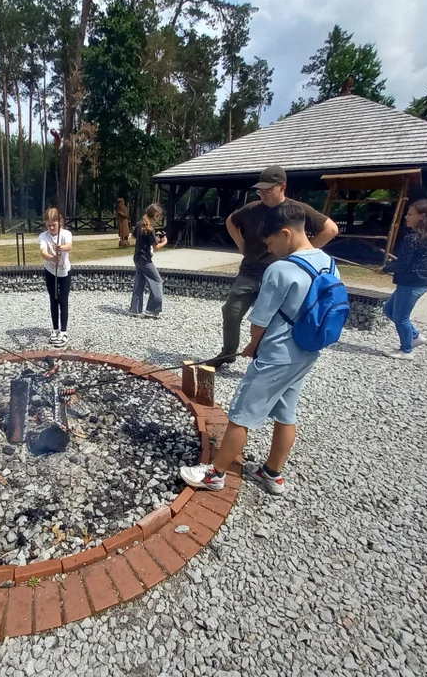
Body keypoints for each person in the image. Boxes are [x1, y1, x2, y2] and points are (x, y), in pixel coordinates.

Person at [180, 204, 340, 495]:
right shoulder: (328, 262)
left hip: (276, 355)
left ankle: (214, 475)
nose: (270, 250)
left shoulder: (281, 269)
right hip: (305, 353)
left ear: (285, 233)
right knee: (286, 413)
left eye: (270, 243)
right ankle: (272, 474)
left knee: (242, 413)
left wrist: (252, 347)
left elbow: (259, 321)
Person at [216, 165, 339, 368]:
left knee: (271, 320)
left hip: (279, 276)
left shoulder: (295, 210)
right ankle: (228, 352)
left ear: (282, 187)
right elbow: (231, 221)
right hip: (250, 272)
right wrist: (241, 244)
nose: (263, 195)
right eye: (260, 191)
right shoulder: (252, 208)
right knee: (231, 311)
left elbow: (331, 229)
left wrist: (303, 254)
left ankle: (262, 357)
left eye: (268, 190)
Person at [381, 199, 427, 360]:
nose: (406, 217)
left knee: (401, 317)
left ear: (422, 216)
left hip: (411, 282)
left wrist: (385, 268)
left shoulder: (413, 238)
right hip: (419, 282)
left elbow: (403, 263)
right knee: (389, 310)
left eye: (410, 214)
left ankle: (406, 350)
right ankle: (415, 336)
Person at [38, 207, 73, 347]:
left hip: (64, 272)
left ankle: (64, 332)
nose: (51, 228)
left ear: (60, 222)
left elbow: (69, 246)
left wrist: (62, 248)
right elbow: (43, 252)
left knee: (63, 300)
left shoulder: (66, 234)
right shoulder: (43, 236)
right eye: (48, 225)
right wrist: (52, 257)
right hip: (50, 271)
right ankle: (55, 329)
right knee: (53, 300)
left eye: (54, 225)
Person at [130, 203, 167, 318]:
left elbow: (134, 236)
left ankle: (135, 309)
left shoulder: (140, 224)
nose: (159, 218)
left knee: (140, 283)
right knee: (157, 281)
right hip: (146, 260)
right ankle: (152, 309)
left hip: (137, 258)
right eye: (158, 216)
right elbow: (156, 247)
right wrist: (164, 242)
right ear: (154, 215)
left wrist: (147, 240)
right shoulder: (150, 229)